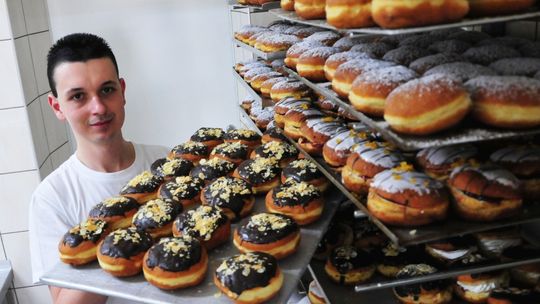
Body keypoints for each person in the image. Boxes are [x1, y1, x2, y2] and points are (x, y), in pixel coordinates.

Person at [29, 33, 169, 304]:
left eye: (107, 90)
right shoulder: (52, 197)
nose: (98, 107)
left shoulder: (163, 162)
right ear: (57, 107)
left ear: (123, 91)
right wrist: (121, 234)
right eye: (78, 96)